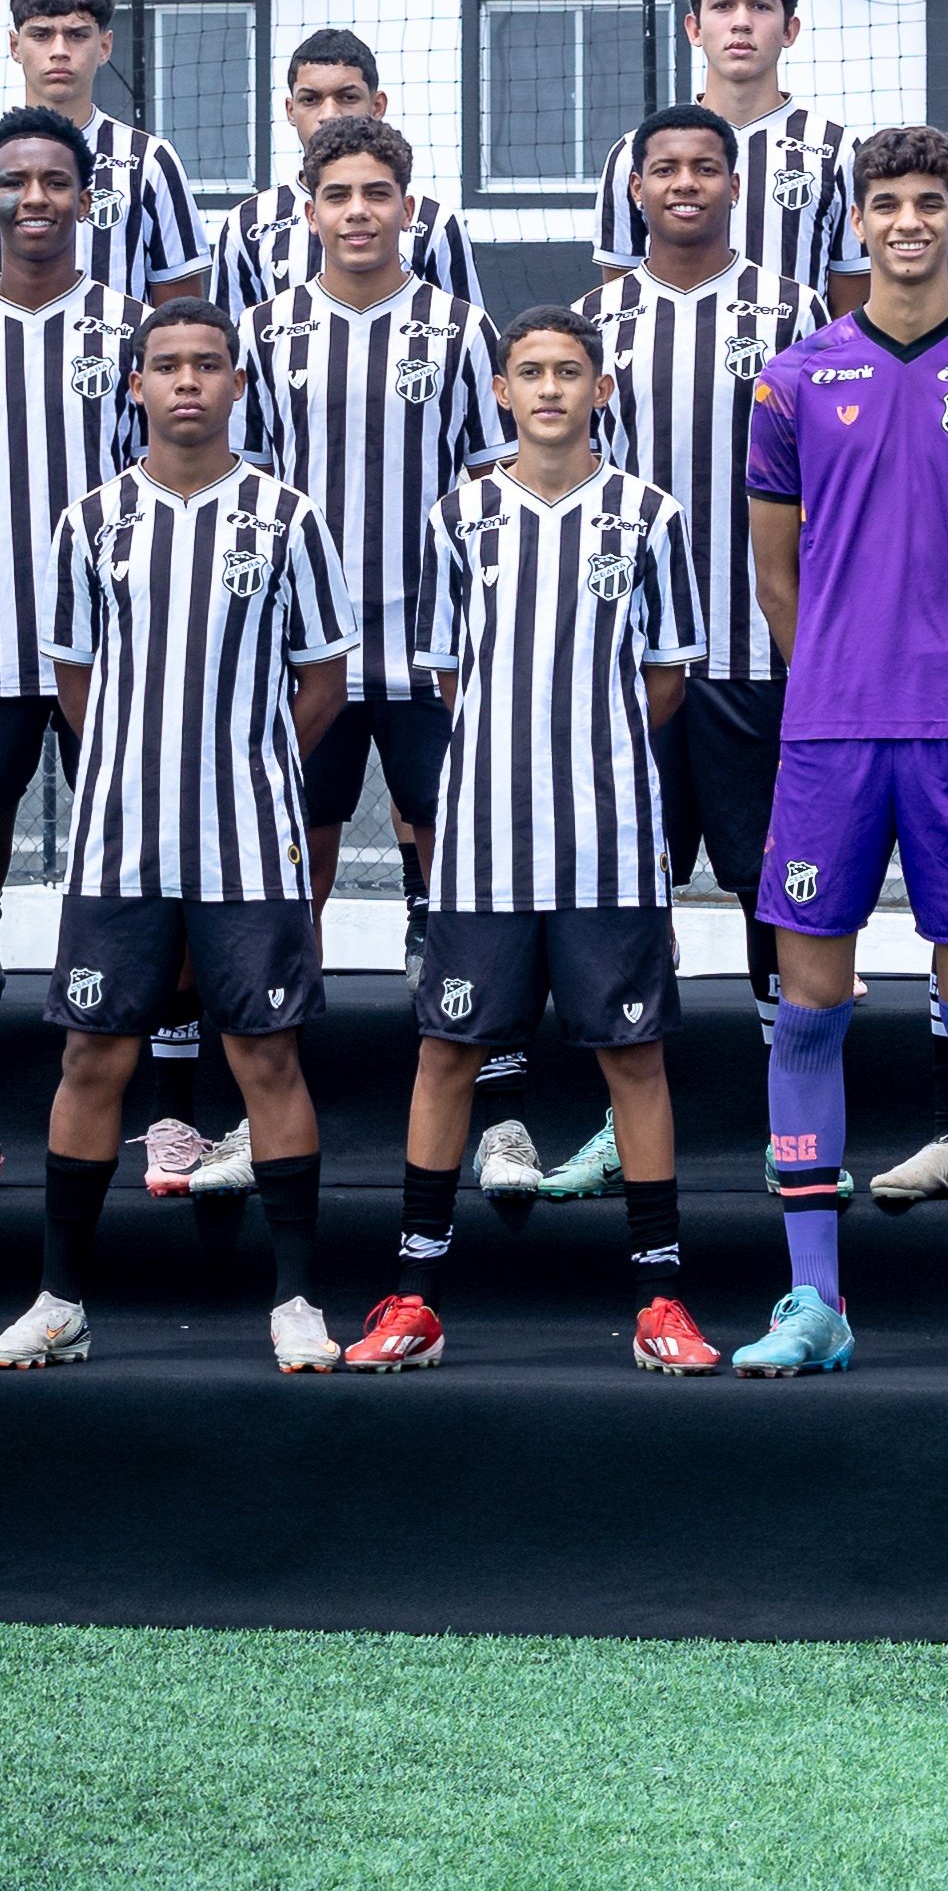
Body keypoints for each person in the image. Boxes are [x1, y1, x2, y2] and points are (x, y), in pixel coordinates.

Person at [730, 126, 948, 1381]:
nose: (910, 222)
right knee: (807, 1015)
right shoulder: (789, 380)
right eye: (887, 203)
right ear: (859, 221)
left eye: (932, 201)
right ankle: (813, 1304)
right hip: (829, 738)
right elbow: (778, 578)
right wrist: (833, 665)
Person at [351, 309, 714, 1375]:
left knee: (634, 1059)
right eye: (529, 372)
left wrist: (583, 753)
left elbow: (665, 678)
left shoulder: (648, 514)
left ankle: (660, 1297)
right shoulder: (459, 516)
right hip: (482, 841)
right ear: (501, 392)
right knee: (448, 1052)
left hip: (607, 839)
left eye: (569, 371)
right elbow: (450, 675)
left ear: (602, 389)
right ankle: (413, 1295)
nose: (549, 387)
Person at [0, 302, 350, 1370]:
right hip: (119, 838)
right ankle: (61, 1299)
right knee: (92, 1054)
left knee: (267, 1055)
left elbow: (324, 679)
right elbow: (72, 678)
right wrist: (133, 763)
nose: (188, 381)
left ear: (240, 383)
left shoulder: (288, 517)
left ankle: (294, 1301)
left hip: (249, 834)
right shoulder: (90, 521)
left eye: (208, 364)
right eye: (167, 365)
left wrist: (247, 766)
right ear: (138, 386)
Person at [575, 104, 831, 1173]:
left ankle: (794, 1116)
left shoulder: (794, 309)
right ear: (634, 189)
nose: (684, 182)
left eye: (704, 167)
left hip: (761, 655)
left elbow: (835, 478)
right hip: (630, 665)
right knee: (629, 887)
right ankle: (619, 1121)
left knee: (775, 887)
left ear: (736, 184)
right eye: (663, 167)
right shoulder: (594, 322)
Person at [235, 119, 505, 1063]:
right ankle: (285, 1040)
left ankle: (467, 1043)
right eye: (340, 195)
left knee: (452, 847)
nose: (359, 212)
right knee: (294, 848)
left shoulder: (460, 328)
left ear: (407, 207)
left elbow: (489, 484)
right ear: (311, 211)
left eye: (377, 194)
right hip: (305, 653)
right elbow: (251, 486)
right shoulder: (266, 332)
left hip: (430, 646)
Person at [0, 108, 140, 890]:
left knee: (127, 836)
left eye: (56, 181)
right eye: (14, 180)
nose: (35, 196)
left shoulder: (135, 335)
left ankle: (139, 1000)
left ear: (86, 201)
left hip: (111, 643)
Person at [594, 0, 865, 308]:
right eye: (723, 5)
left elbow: (847, 318)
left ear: (789, 30)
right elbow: (620, 308)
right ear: (694, 28)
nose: (741, 22)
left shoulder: (838, 152)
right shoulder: (634, 153)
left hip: (797, 367)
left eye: (760, 6)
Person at [212, 32, 483, 316]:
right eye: (311, 99)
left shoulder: (434, 223)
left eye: (347, 97)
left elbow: (462, 334)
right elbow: (231, 347)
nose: (329, 114)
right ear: (291, 110)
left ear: (377, 106)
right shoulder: (249, 224)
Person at [6, 0, 206, 304]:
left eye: (77, 34)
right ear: (14, 46)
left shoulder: (149, 161)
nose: (59, 51)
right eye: (41, 34)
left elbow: (180, 312)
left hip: (119, 358)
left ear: (104, 46)